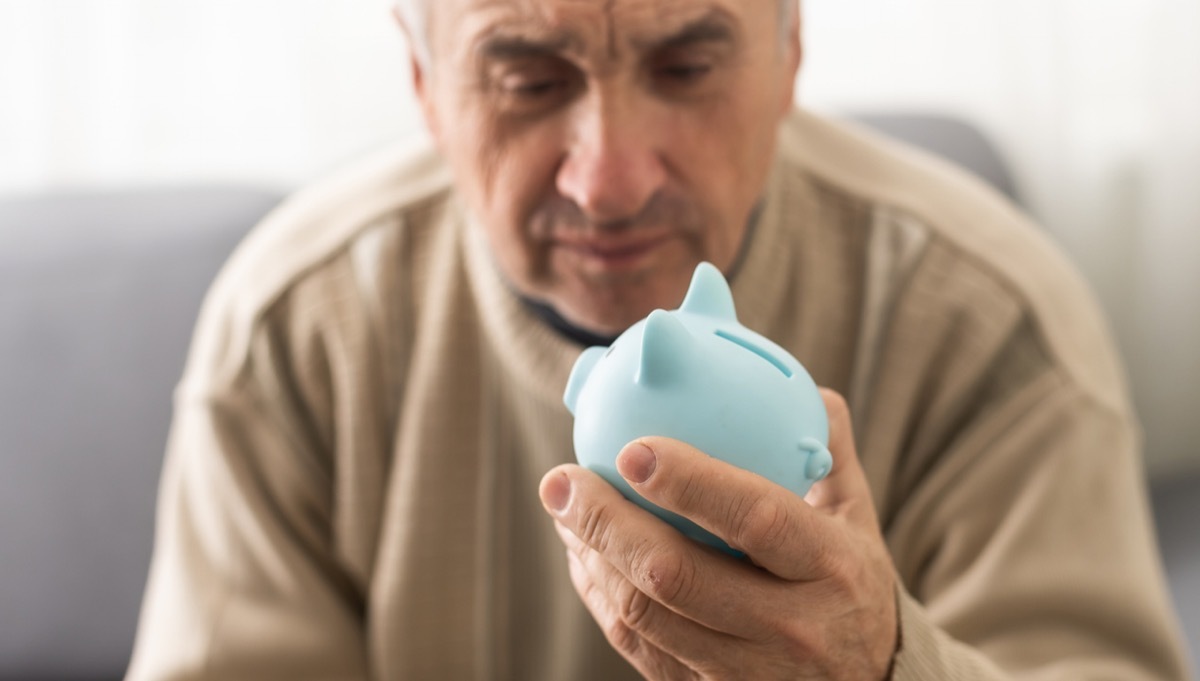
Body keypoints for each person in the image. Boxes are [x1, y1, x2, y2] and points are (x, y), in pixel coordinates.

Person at [125, 0, 1192, 678]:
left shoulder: (992, 319)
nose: (611, 180)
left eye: (686, 68)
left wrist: (887, 664)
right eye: (528, 81)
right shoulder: (290, 335)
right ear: (424, 87)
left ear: (791, 53)